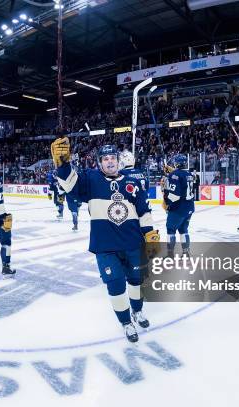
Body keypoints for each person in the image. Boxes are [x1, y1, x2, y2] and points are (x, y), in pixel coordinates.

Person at [51, 137, 159, 343]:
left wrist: (150, 234)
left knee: (136, 281)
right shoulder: (91, 180)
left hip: (133, 243)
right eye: (105, 159)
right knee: (116, 284)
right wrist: (63, 164)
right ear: (99, 163)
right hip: (105, 247)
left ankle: (138, 311)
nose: (110, 161)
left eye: (113, 158)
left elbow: (144, 211)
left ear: (118, 161)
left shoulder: (133, 183)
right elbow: (70, 186)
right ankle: (126, 322)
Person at [163, 154, 195, 254]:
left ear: (176, 163)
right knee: (183, 229)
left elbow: (175, 195)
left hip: (178, 207)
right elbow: (180, 177)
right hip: (189, 207)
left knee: (170, 229)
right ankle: (186, 252)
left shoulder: (174, 175)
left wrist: (167, 202)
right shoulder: (189, 174)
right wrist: (171, 173)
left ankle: (170, 254)